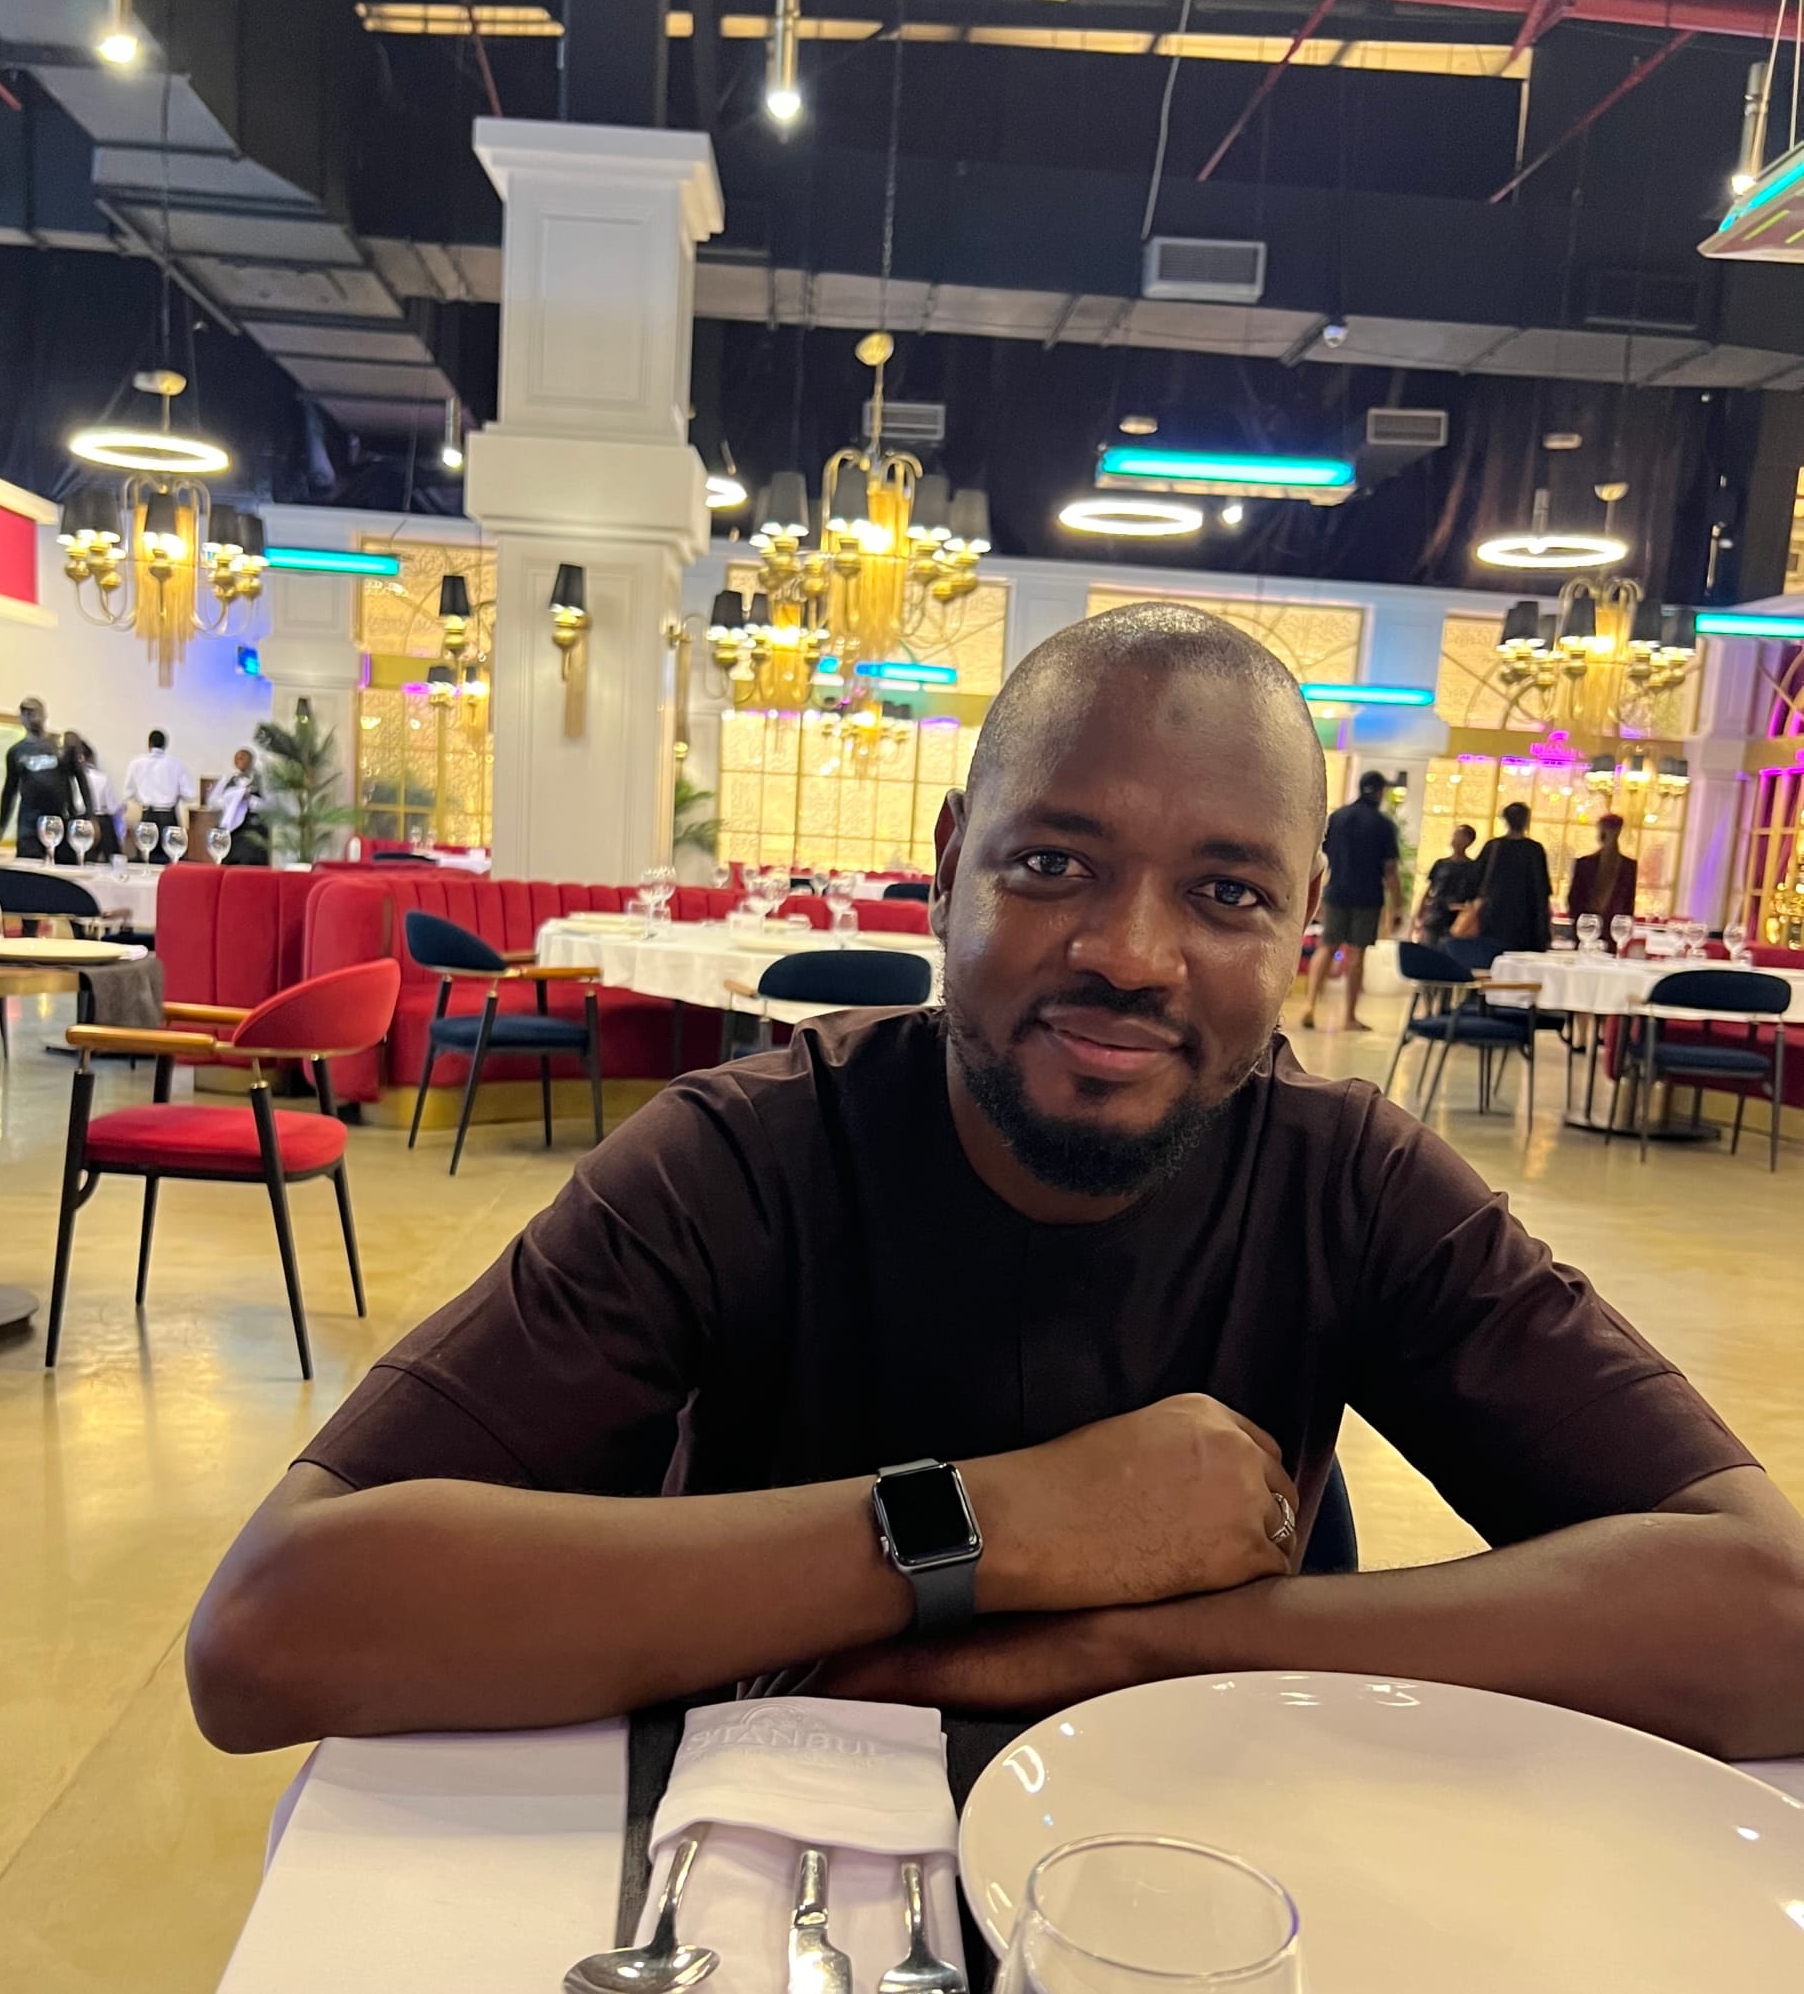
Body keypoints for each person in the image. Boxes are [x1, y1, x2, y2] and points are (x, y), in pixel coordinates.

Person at [186, 603, 1804, 1765]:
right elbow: (270, 1633)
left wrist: (1139, 1641)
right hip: (762, 1889)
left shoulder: (1350, 1185)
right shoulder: (741, 1160)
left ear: (1301, 931)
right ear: (951, 866)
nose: (1131, 953)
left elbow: (1769, 1618)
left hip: (1206, 1902)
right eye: (1053, 865)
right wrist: (991, 1523)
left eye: (1226, 894)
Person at [1300, 769, 1400, 1032]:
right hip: (1368, 897)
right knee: (1357, 954)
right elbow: (1390, 870)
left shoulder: (1338, 818)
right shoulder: (1383, 824)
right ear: (1380, 791)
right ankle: (1349, 1018)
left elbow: (1321, 859)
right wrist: (1398, 906)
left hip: (1336, 892)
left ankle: (1309, 1004)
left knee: (1326, 946)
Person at [0, 696, 84, 861]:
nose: (31, 717)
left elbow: (81, 779)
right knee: (29, 868)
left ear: (44, 715)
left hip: (61, 820)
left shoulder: (60, 745)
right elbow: (9, 791)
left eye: (34, 712)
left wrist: (88, 816)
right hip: (29, 824)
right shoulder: (16, 752)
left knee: (66, 868)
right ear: (21, 718)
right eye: (26, 713)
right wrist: (1, 830)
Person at [1470, 801, 1554, 952]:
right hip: (1527, 921)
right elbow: (1541, 890)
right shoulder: (1534, 850)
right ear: (1526, 820)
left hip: (1493, 917)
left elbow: (1475, 880)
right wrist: (1544, 927)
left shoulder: (1493, 847)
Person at [1566, 813, 1639, 953]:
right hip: (1588, 931)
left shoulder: (1627, 866)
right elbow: (1574, 899)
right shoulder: (1585, 864)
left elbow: (1628, 904)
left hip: (1609, 933)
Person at [122, 727, 196, 863]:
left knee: (147, 858)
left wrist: (142, 797)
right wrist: (175, 795)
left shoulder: (136, 763)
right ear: (165, 745)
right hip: (169, 816)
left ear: (149, 744)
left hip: (147, 815)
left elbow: (128, 793)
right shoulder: (177, 764)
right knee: (171, 860)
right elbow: (190, 795)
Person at [1415, 822, 1479, 943]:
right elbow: (1429, 890)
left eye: (1459, 836)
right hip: (1436, 914)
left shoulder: (1472, 868)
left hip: (1457, 919)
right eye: (1454, 835)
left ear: (1468, 841)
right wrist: (1420, 914)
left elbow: (1474, 897)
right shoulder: (1441, 864)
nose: (1454, 839)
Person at [62, 732, 124, 858]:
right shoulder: (101, 777)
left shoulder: (67, 777)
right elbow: (112, 808)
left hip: (75, 821)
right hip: (100, 821)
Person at [207, 747, 271, 867]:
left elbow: (270, 806)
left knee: (250, 862)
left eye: (243, 758)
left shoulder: (260, 779)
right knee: (230, 863)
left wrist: (250, 800)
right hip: (231, 830)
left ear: (251, 761)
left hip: (253, 829)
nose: (239, 761)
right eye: (237, 758)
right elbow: (212, 801)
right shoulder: (227, 779)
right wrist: (230, 799)